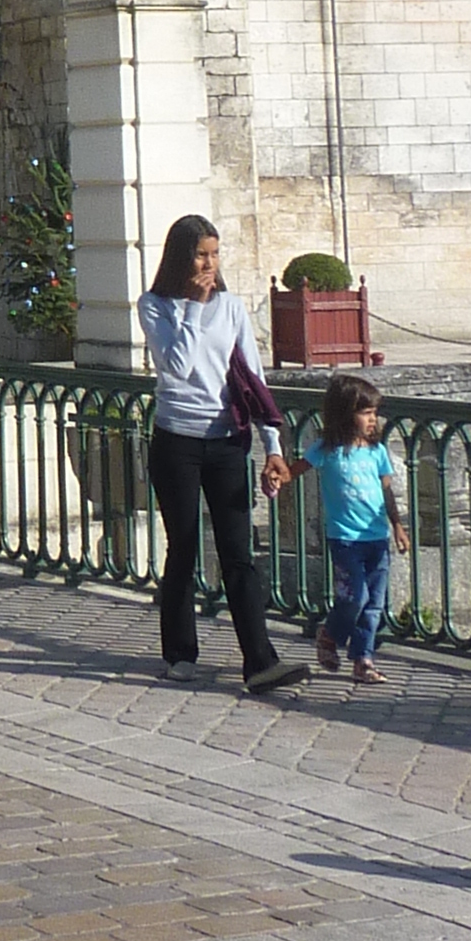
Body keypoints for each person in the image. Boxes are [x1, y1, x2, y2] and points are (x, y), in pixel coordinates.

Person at [136, 214, 308, 696]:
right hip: (177, 441)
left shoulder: (231, 307)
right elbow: (176, 366)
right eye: (200, 255)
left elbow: (253, 379)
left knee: (238, 554)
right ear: (180, 258)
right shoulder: (154, 306)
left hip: (227, 441)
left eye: (215, 254)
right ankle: (180, 653)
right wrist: (192, 307)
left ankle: (260, 661)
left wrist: (272, 445)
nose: (209, 264)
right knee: (184, 546)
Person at [304, 374, 406, 685]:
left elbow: (386, 490)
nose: (372, 420)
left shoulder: (376, 452)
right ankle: (330, 635)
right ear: (344, 414)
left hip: (377, 538)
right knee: (354, 597)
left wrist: (398, 525)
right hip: (345, 539)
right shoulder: (327, 449)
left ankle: (363, 658)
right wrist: (277, 476)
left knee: (374, 603)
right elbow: (296, 469)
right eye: (365, 413)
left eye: (375, 414)